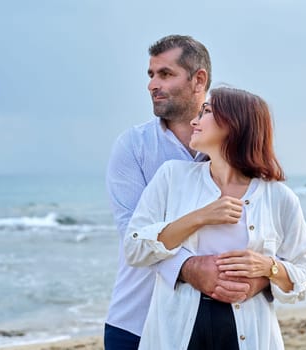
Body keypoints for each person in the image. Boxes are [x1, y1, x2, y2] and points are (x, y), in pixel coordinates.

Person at [105, 35, 269, 349]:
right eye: (151, 75)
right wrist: (190, 268)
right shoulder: (133, 147)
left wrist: (258, 279)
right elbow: (132, 235)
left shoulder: (237, 156)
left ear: (199, 79)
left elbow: (271, 245)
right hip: (135, 320)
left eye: (165, 74)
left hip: (217, 326)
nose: (153, 84)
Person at [124, 86, 306, 349]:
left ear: (233, 123)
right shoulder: (172, 177)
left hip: (247, 334)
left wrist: (267, 267)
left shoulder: (280, 197)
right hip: (178, 331)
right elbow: (134, 249)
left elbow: (305, 276)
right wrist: (199, 217)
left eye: (206, 111)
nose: (194, 120)